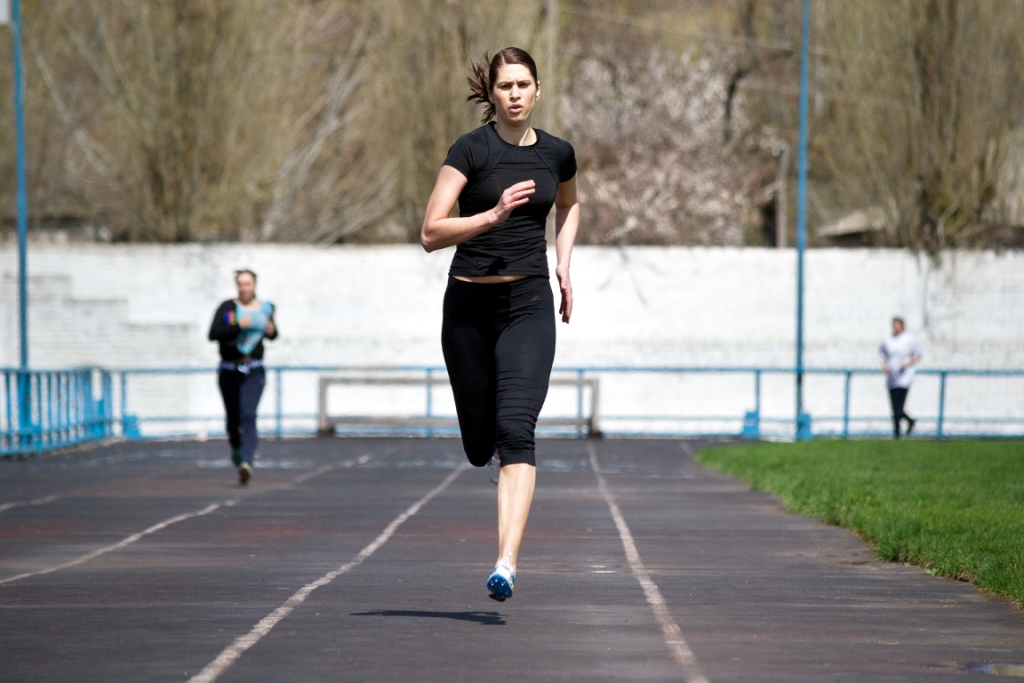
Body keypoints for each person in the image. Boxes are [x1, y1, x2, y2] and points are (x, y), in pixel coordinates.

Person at [420, 47, 579, 601]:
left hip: (528, 304)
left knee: (517, 431)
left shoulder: (557, 154)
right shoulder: (471, 150)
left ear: (538, 90)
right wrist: (491, 215)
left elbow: (569, 205)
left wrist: (563, 263)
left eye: (523, 84)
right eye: (505, 85)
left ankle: (506, 563)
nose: (514, 94)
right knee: (478, 443)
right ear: (491, 93)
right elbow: (430, 232)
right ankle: (487, 449)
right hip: (468, 307)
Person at [208, 269, 277, 484]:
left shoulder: (266, 308)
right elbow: (216, 333)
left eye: (248, 284)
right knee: (233, 418)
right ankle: (237, 449)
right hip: (229, 369)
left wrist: (272, 331)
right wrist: (238, 326)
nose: (244, 288)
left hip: (254, 369)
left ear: (254, 285)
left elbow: (273, 333)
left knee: (248, 414)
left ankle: (247, 462)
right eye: (240, 284)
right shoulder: (229, 309)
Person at [879, 316, 922, 439]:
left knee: (898, 407)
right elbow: (882, 354)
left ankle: (897, 433)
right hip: (892, 377)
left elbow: (918, 354)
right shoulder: (888, 339)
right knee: (894, 407)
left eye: (897, 325)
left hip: (904, 377)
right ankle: (908, 423)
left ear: (902, 326)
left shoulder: (909, 339)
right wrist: (885, 365)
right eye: (893, 325)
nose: (895, 327)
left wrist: (907, 363)